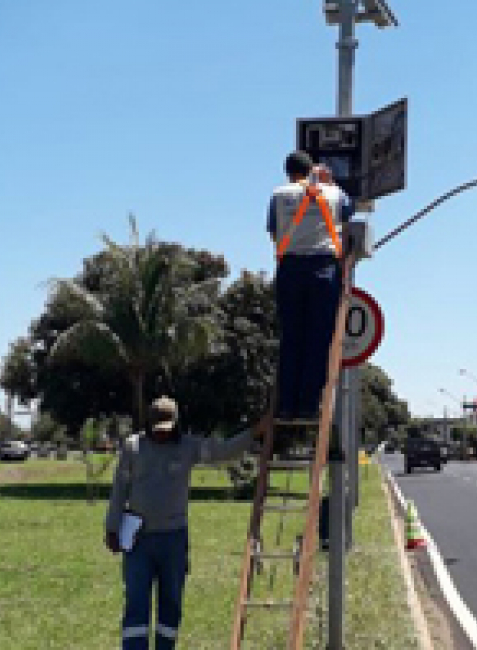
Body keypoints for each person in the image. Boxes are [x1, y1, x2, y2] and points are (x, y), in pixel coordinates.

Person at [105, 396, 269, 650]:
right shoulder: (132, 447)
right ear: (148, 424)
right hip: (138, 541)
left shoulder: (188, 447)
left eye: (167, 429)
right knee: (136, 601)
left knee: (171, 602)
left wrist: (254, 433)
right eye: (157, 430)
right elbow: (119, 489)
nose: (162, 435)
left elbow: (222, 451)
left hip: (173, 540)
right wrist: (112, 528)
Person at [266, 151, 354, 423]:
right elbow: (350, 211)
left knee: (291, 337)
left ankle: (286, 405)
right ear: (311, 171)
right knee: (318, 339)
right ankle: (307, 404)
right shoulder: (332, 193)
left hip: (290, 268)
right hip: (322, 268)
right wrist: (331, 182)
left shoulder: (278, 195)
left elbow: (272, 231)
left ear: (288, 171)